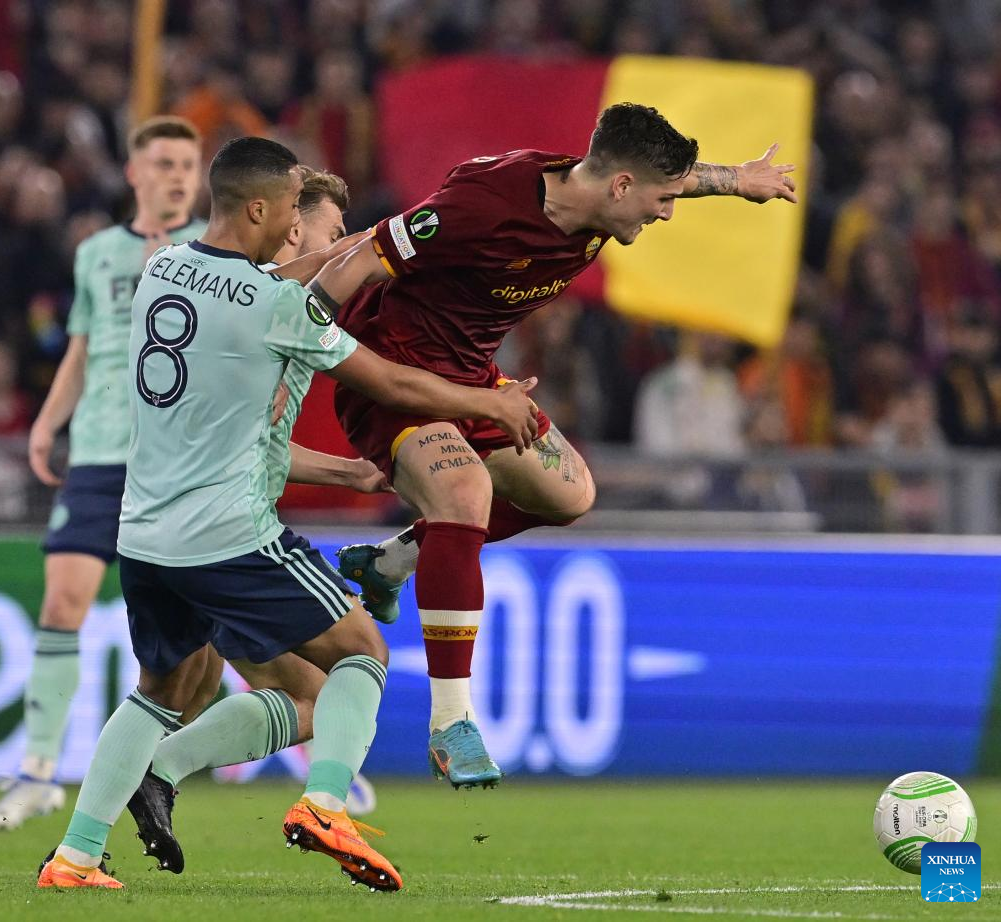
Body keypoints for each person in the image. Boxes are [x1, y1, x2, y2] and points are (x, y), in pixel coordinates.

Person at [37, 136, 539, 891]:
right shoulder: (275, 309)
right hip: (229, 537)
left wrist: (360, 247)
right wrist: (486, 403)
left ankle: (75, 858)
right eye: (293, 215)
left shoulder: (160, 269)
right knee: (362, 650)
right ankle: (326, 804)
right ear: (261, 210)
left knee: (161, 694)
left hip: (145, 535)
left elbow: (286, 279)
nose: (297, 231)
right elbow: (390, 382)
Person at [309, 102, 796, 789]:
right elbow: (356, 261)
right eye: (659, 199)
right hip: (394, 375)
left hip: (474, 378)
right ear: (620, 186)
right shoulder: (480, 206)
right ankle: (452, 722)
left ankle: (392, 561)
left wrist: (737, 180)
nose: (666, 213)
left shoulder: (602, 199)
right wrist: (291, 349)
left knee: (568, 494)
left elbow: (674, 179)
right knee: (465, 492)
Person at [125, 167, 386, 875]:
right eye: (327, 226)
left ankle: (91, 836)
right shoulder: (270, 302)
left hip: (172, 523)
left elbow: (261, 443)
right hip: (225, 536)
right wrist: (383, 241)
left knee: (196, 695)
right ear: (291, 222)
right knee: (333, 672)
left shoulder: (227, 285)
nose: (332, 240)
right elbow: (336, 288)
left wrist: (350, 474)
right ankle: (161, 780)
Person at [0, 116, 206, 832]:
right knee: (61, 602)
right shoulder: (97, 253)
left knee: (194, 636)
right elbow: (83, 348)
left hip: (179, 462)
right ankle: (37, 773)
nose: (177, 176)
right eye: (163, 163)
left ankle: (178, 765)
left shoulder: (214, 252)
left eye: (187, 165)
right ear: (133, 173)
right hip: (102, 454)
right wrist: (48, 422)